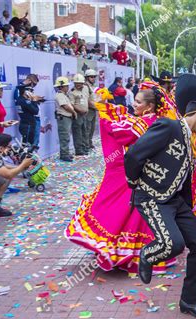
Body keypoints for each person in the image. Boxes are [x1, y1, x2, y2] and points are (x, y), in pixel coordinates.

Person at [124, 74, 196, 319]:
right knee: (173, 244)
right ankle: (147, 255)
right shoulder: (168, 126)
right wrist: (134, 183)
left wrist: (187, 207)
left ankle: (190, 301)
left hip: (177, 203)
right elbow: (134, 156)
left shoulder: (192, 142)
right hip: (152, 197)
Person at [66, 84, 181, 273]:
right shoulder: (160, 122)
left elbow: (117, 130)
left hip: (133, 176)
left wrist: (104, 109)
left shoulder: (141, 124)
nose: (133, 105)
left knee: (121, 212)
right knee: (143, 218)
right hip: (153, 179)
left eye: (137, 102)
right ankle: (142, 253)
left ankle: (119, 253)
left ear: (149, 106)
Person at [0, 134, 33, 222]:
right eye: (8, 146)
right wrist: (23, 165)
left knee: (5, 177)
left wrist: (22, 167)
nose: (10, 149)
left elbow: (4, 166)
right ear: (0, 148)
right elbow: (8, 174)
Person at [54, 77, 77, 162]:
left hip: (66, 117)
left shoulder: (63, 95)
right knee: (64, 136)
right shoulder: (59, 95)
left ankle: (65, 153)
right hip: (63, 117)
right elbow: (65, 106)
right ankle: (64, 154)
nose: (67, 87)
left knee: (66, 136)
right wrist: (74, 112)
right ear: (62, 86)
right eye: (66, 86)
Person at [69, 74, 89, 156]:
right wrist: (79, 110)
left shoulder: (85, 89)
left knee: (84, 131)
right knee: (78, 133)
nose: (78, 84)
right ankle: (79, 149)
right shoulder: (72, 92)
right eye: (77, 83)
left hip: (85, 114)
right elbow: (71, 104)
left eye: (80, 83)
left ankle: (84, 147)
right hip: (77, 115)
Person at [83, 69, 98, 150]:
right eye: (91, 77)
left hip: (93, 109)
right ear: (87, 77)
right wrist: (96, 107)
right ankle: (86, 144)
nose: (93, 78)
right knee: (87, 128)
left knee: (92, 128)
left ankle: (89, 142)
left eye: (94, 77)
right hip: (88, 110)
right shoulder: (85, 86)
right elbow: (87, 100)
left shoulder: (92, 86)